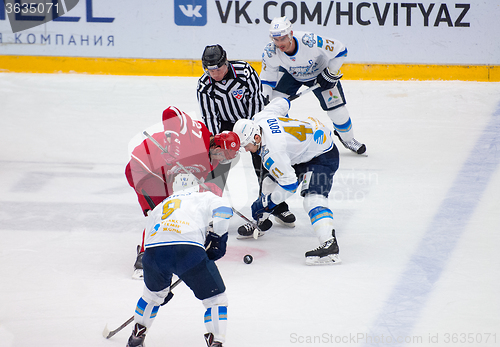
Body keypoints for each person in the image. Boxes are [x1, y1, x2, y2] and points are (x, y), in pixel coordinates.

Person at [125, 105, 240, 278]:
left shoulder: (211, 162)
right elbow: (170, 112)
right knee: (157, 212)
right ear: (217, 147)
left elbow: (195, 185)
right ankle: (144, 254)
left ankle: (168, 247)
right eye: (223, 155)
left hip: (163, 178)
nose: (223, 161)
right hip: (142, 168)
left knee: (173, 209)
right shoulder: (197, 132)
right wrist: (173, 144)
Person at [197, 44, 296, 234]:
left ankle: (276, 207)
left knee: (265, 164)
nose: (214, 74)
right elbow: (210, 116)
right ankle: (210, 211)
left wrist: (251, 132)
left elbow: (257, 103)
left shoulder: (244, 71)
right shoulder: (204, 86)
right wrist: (218, 143)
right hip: (225, 126)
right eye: (210, 70)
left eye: (217, 69)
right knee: (216, 168)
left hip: (252, 121)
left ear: (225, 62)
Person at [126, 173, 233, 347]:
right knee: (216, 300)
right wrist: (218, 238)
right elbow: (223, 212)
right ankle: (216, 342)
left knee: (152, 297)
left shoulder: (161, 205)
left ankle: (137, 336)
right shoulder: (203, 196)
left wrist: (161, 286)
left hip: (153, 254)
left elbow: (148, 237)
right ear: (196, 186)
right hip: (187, 250)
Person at [233, 97, 341, 265]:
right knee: (269, 183)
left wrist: (266, 201)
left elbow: (290, 185)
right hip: (307, 148)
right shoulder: (260, 118)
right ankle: (261, 222)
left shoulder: (273, 153)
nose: (246, 150)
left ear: (256, 137)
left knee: (313, 199)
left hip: (322, 155)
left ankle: (330, 246)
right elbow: (283, 102)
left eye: (247, 145)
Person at [260, 16, 366, 155]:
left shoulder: (310, 41)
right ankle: (281, 139)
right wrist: (265, 100)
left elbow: (340, 50)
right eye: (276, 39)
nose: (280, 43)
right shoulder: (270, 51)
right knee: (275, 104)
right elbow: (267, 80)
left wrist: (330, 72)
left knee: (338, 112)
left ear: (291, 34)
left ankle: (348, 139)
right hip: (291, 74)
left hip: (319, 74)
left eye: (283, 38)